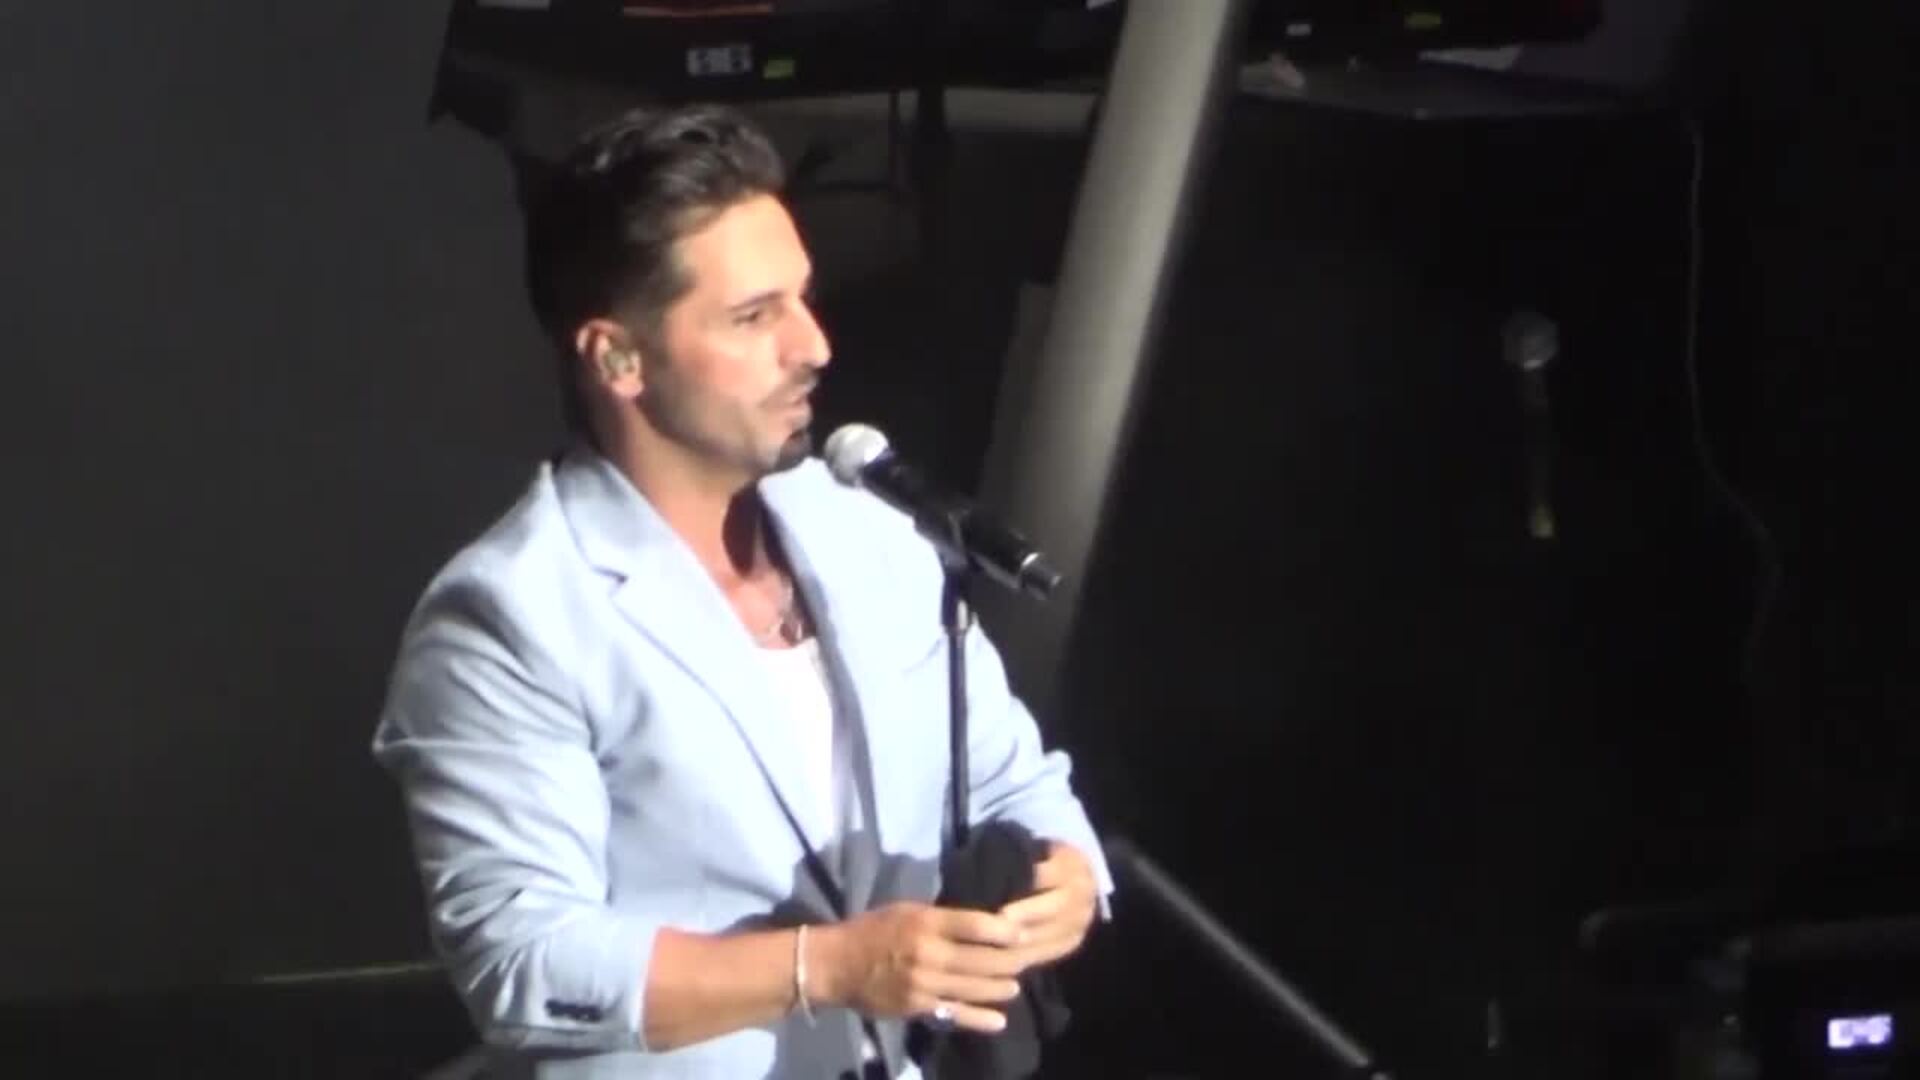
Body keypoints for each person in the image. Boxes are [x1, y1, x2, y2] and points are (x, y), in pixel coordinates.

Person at [371, 103, 1112, 1079]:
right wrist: (828, 966)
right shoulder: (509, 617)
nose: (814, 345)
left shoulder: (868, 529)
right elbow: (522, 962)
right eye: (754, 316)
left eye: (802, 298)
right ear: (617, 358)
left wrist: (1067, 870)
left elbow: (1016, 780)